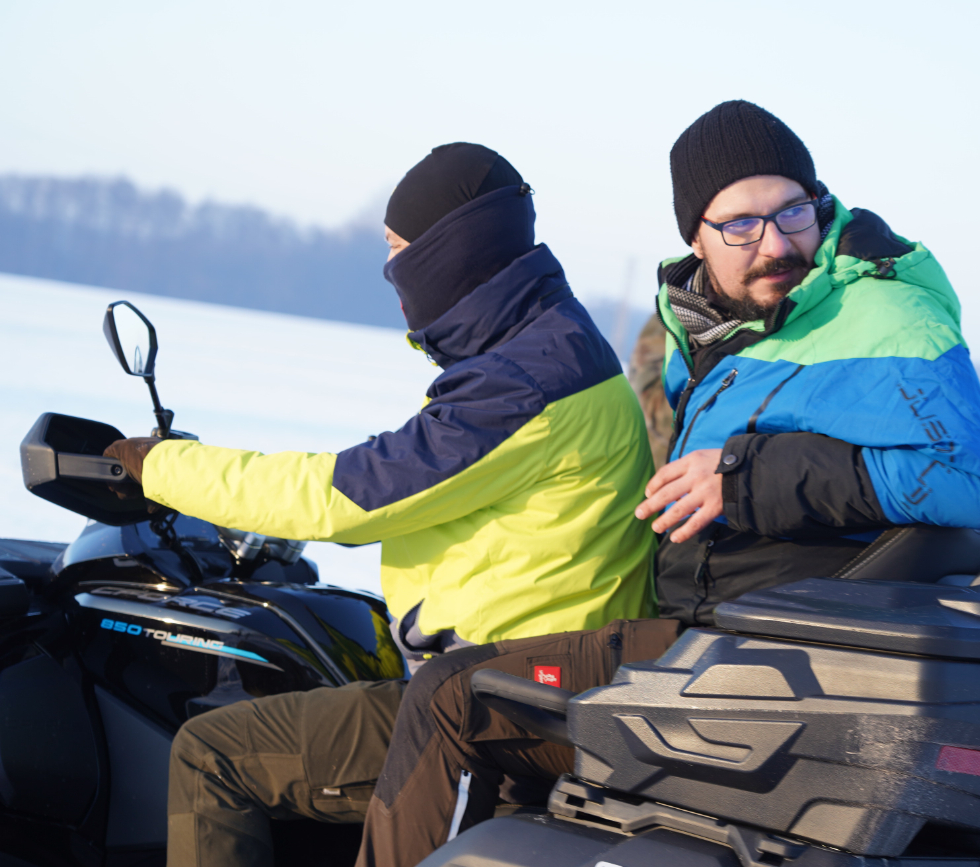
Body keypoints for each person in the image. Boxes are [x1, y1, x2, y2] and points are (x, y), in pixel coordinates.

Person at [355, 100, 980, 867]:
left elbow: (969, 482)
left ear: (819, 201)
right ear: (695, 236)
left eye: (792, 211)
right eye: (740, 225)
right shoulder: (707, 326)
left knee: (450, 695)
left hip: (766, 651)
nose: (774, 242)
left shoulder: (885, 313)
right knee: (500, 715)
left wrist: (746, 478)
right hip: (708, 628)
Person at [103, 142, 658, 865]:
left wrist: (162, 465)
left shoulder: (525, 380)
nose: (392, 275)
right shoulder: (552, 345)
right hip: (521, 680)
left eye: (399, 253)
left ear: (450, 253)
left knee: (214, 753)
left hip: (501, 705)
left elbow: (348, 494)